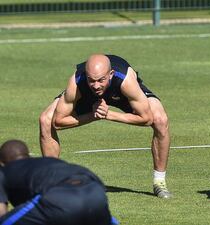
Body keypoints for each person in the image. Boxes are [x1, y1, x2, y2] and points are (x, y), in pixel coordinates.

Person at [39, 54, 171, 199]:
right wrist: (93, 115)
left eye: (101, 80)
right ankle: (54, 182)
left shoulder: (125, 81)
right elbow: (58, 122)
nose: (96, 86)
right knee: (46, 120)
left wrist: (108, 114)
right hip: (88, 99)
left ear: (111, 74)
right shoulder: (77, 82)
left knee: (160, 120)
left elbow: (146, 118)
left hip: (119, 92)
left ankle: (159, 181)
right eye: (91, 80)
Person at [0, 139, 119, 225]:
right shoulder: (49, 162)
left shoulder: (3, 172)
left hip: (58, 198)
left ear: (2, 162)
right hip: (94, 191)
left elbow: (2, 213)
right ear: (28, 156)